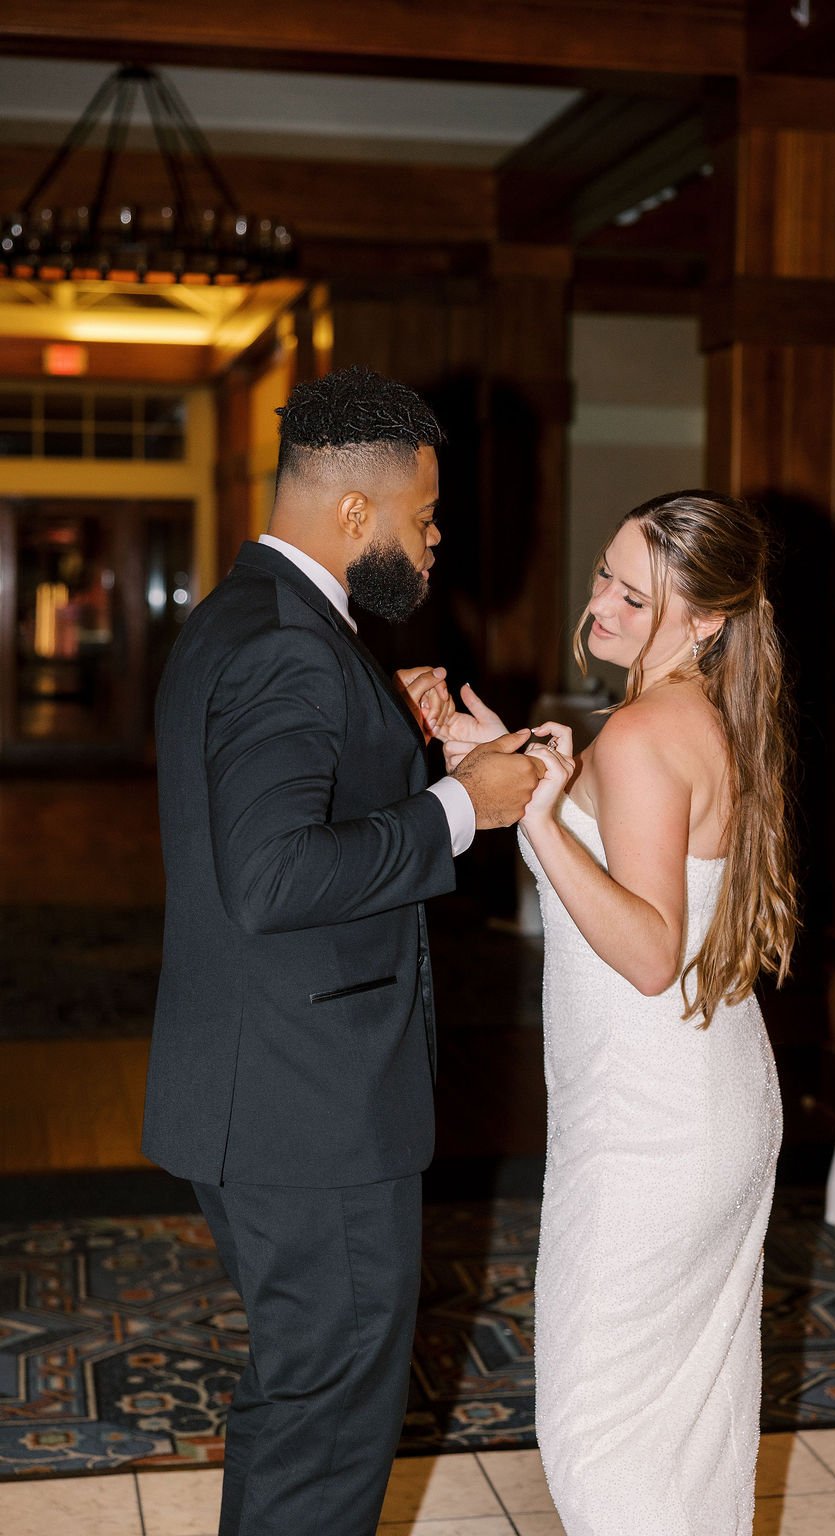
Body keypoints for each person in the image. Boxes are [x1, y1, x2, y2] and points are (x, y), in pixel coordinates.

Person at [141, 365, 542, 1536]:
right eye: (422, 519)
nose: (434, 543)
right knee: (329, 1420)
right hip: (306, 1106)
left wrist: (393, 740)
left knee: (306, 1399)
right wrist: (470, 805)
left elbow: (269, 819)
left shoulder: (254, 617)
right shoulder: (291, 645)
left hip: (264, 1085)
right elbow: (272, 878)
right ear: (355, 513)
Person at [440, 491, 797, 1535]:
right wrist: (510, 757)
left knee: (599, 1430)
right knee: (683, 1426)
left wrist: (537, 815)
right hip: (704, 1096)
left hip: (654, 1121)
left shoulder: (642, 731)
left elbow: (645, 951)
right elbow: (638, 874)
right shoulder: (690, 715)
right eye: (602, 574)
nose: (600, 603)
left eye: (634, 595)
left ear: (706, 620)